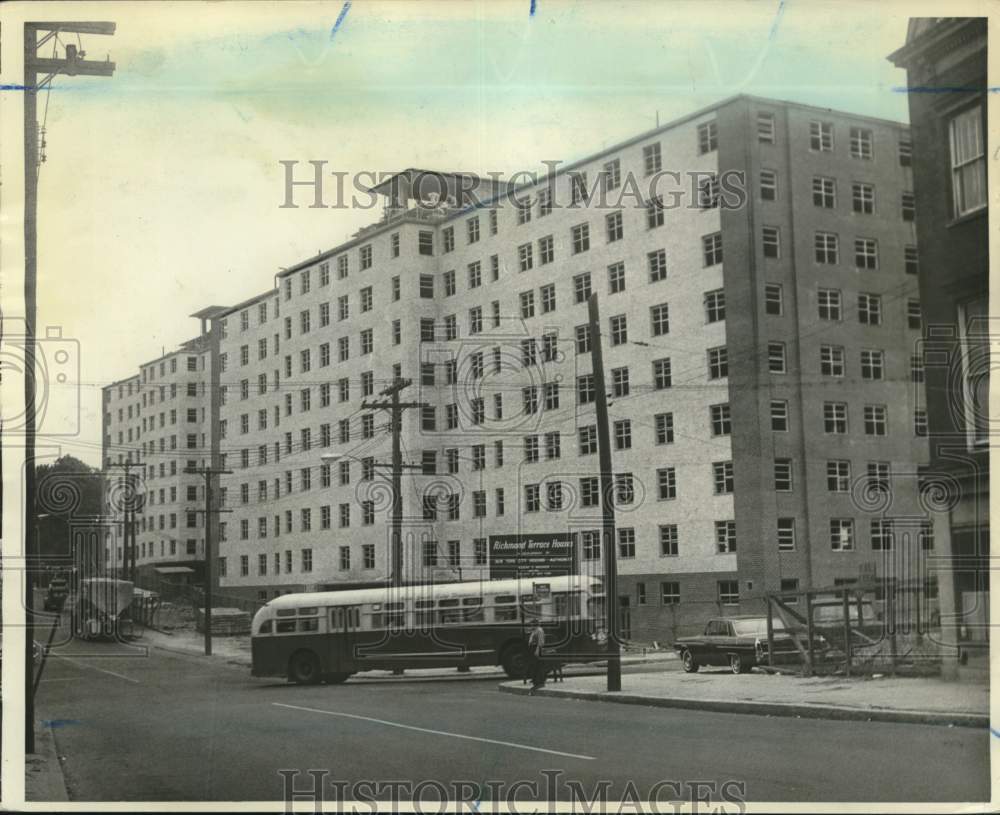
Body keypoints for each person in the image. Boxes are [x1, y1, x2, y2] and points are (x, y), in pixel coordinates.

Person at [527, 618, 547, 692]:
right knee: (534, 665)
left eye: (532, 624)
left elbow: (540, 642)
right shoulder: (534, 630)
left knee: (538, 665)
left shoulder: (539, 630)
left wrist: (537, 650)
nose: (530, 625)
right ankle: (536, 681)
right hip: (533, 648)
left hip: (537, 649)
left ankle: (540, 682)